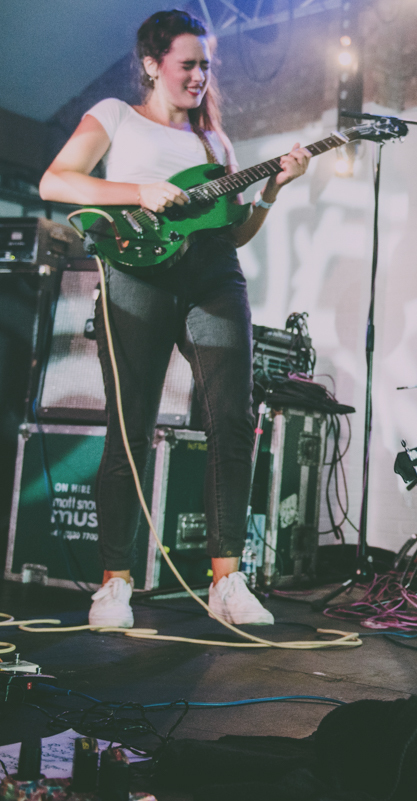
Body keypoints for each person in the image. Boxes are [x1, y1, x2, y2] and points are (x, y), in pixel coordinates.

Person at [39, 10, 310, 628]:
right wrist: (138, 190)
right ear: (152, 65)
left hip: (212, 274)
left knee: (232, 420)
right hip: (136, 272)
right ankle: (114, 584)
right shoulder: (115, 115)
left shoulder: (216, 144)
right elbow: (58, 181)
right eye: (187, 65)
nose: (199, 76)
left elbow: (235, 231)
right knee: (129, 428)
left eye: (205, 65)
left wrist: (273, 189)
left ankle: (226, 580)